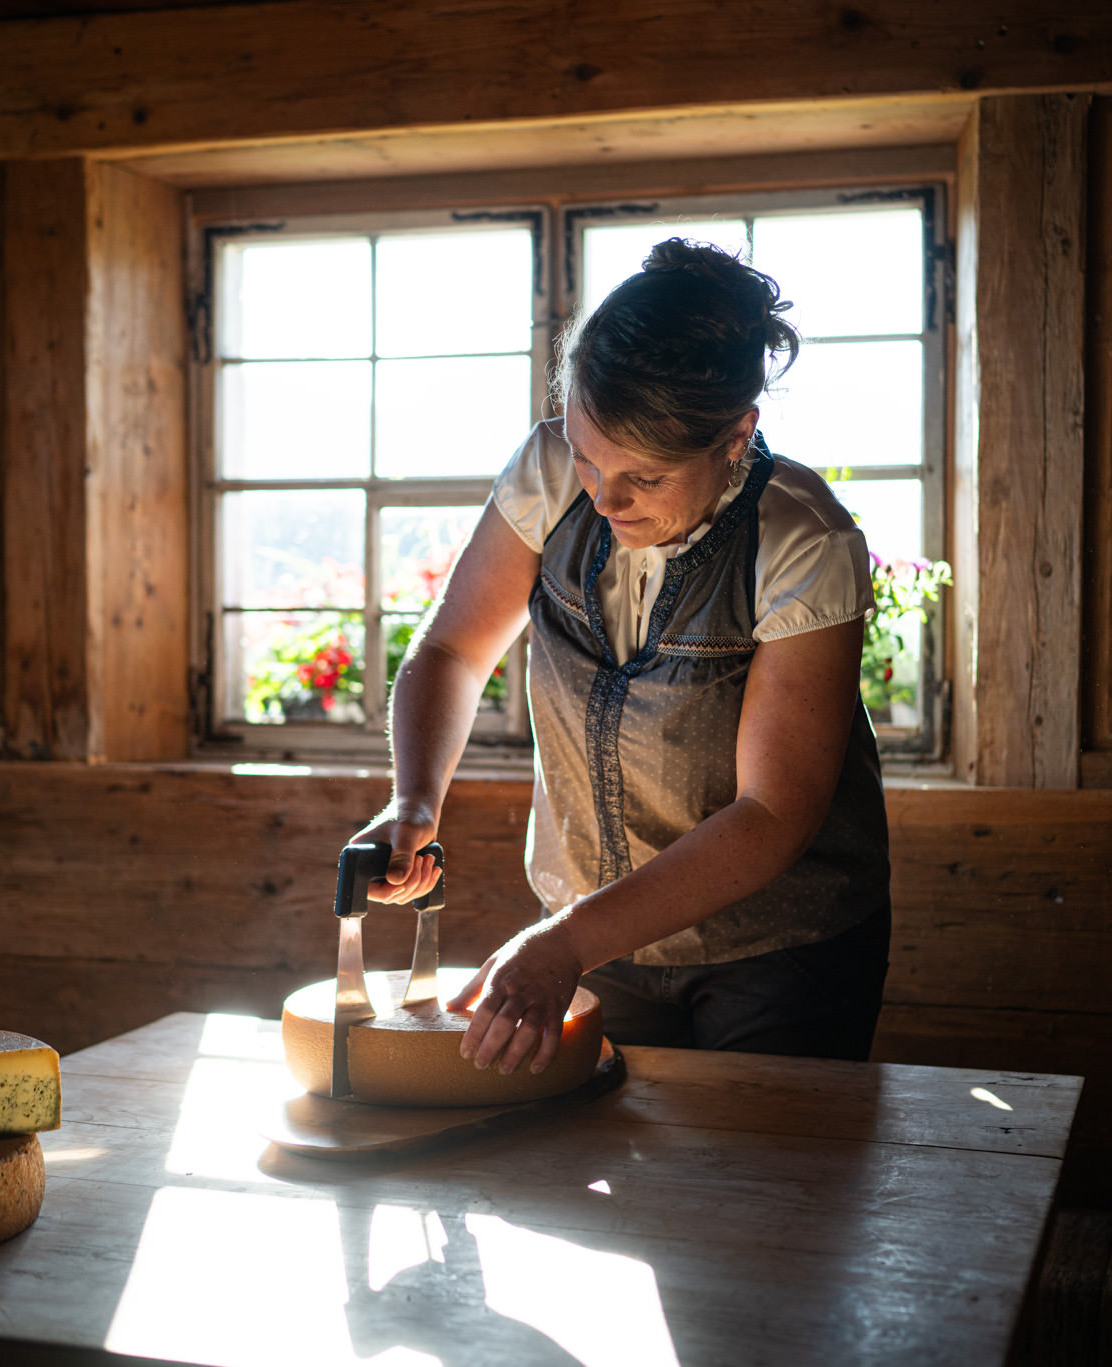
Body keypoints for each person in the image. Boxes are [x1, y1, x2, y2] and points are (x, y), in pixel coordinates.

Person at [353, 239, 891, 1080]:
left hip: (780, 952)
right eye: (589, 454)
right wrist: (414, 800)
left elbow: (771, 814)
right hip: (595, 937)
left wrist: (564, 942)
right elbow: (455, 647)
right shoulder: (547, 474)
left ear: (737, 435)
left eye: (643, 475)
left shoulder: (802, 538)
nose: (604, 498)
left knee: (762, 1190)